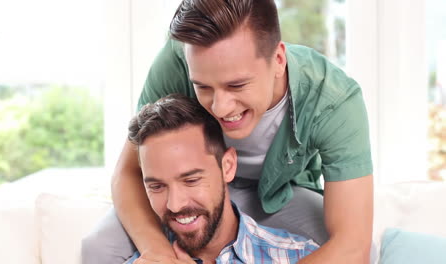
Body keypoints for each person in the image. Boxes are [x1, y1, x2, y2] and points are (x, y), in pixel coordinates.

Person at [82, 0, 374, 263]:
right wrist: (156, 251)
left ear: (278, 60)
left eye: (236, 85)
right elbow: (129, 171)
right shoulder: (177, 59)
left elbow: (352, 246)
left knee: (364, 252)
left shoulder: (335, 100)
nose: (220, 108)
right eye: (203, 88)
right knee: (99, 247)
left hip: (283, 196)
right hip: (199, 186)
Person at [125, 94, 319, 264]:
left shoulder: (300, 256)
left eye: (191, 180)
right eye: (157, 186)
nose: (175, 205)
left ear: (227, 166)